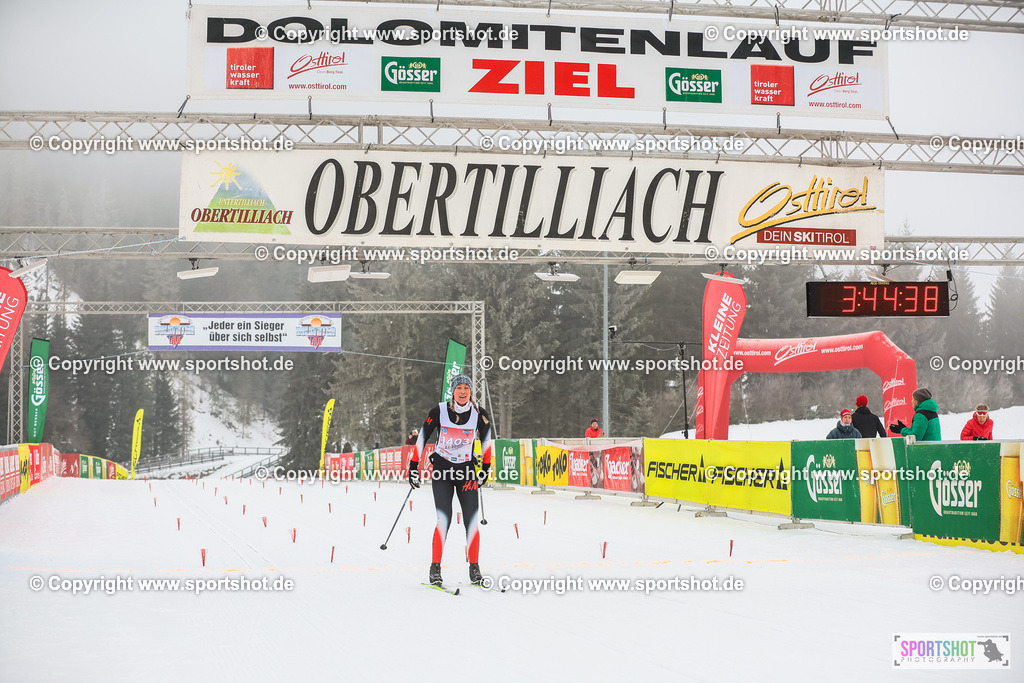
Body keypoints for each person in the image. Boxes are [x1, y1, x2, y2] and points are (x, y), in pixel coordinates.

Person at [408, 375, 493, 588]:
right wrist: (413, 467)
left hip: (466, 471)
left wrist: (485, 468)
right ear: (453, 391)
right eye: (459, 388)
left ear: (471, 391)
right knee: (443, 520)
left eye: (466, 388)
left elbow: (487, 440)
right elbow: (422, 438)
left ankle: (475, 568)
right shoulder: (439, 411)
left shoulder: (479, 414)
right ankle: (435, 568)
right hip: (443, 471)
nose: (463, 392)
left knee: (471, 521)